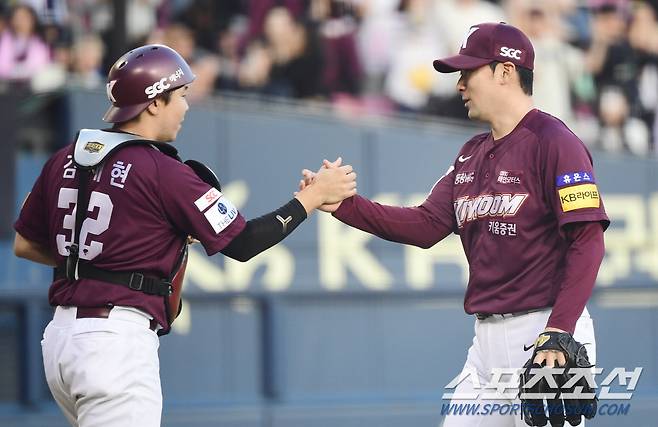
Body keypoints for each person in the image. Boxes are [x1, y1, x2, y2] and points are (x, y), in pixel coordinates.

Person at [13, 44, 356, 427]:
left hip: (60, 342)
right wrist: (311, 197)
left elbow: (24, 244)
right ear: (154, 102)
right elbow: (243, 243)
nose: (187, 106)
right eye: (181, 95)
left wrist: (101, 260)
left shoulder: (65, 157)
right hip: (115, 342)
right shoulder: (162, 170)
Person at [301, 22, 608, 426]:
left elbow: (587, 241)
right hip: (485, 345)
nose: (459, 85)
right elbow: (426, 225)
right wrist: (344, 205)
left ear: (505, 71)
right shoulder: (471, 154)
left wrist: (560, 330)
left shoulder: (555, 141)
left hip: (544, 333)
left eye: (468, 72)